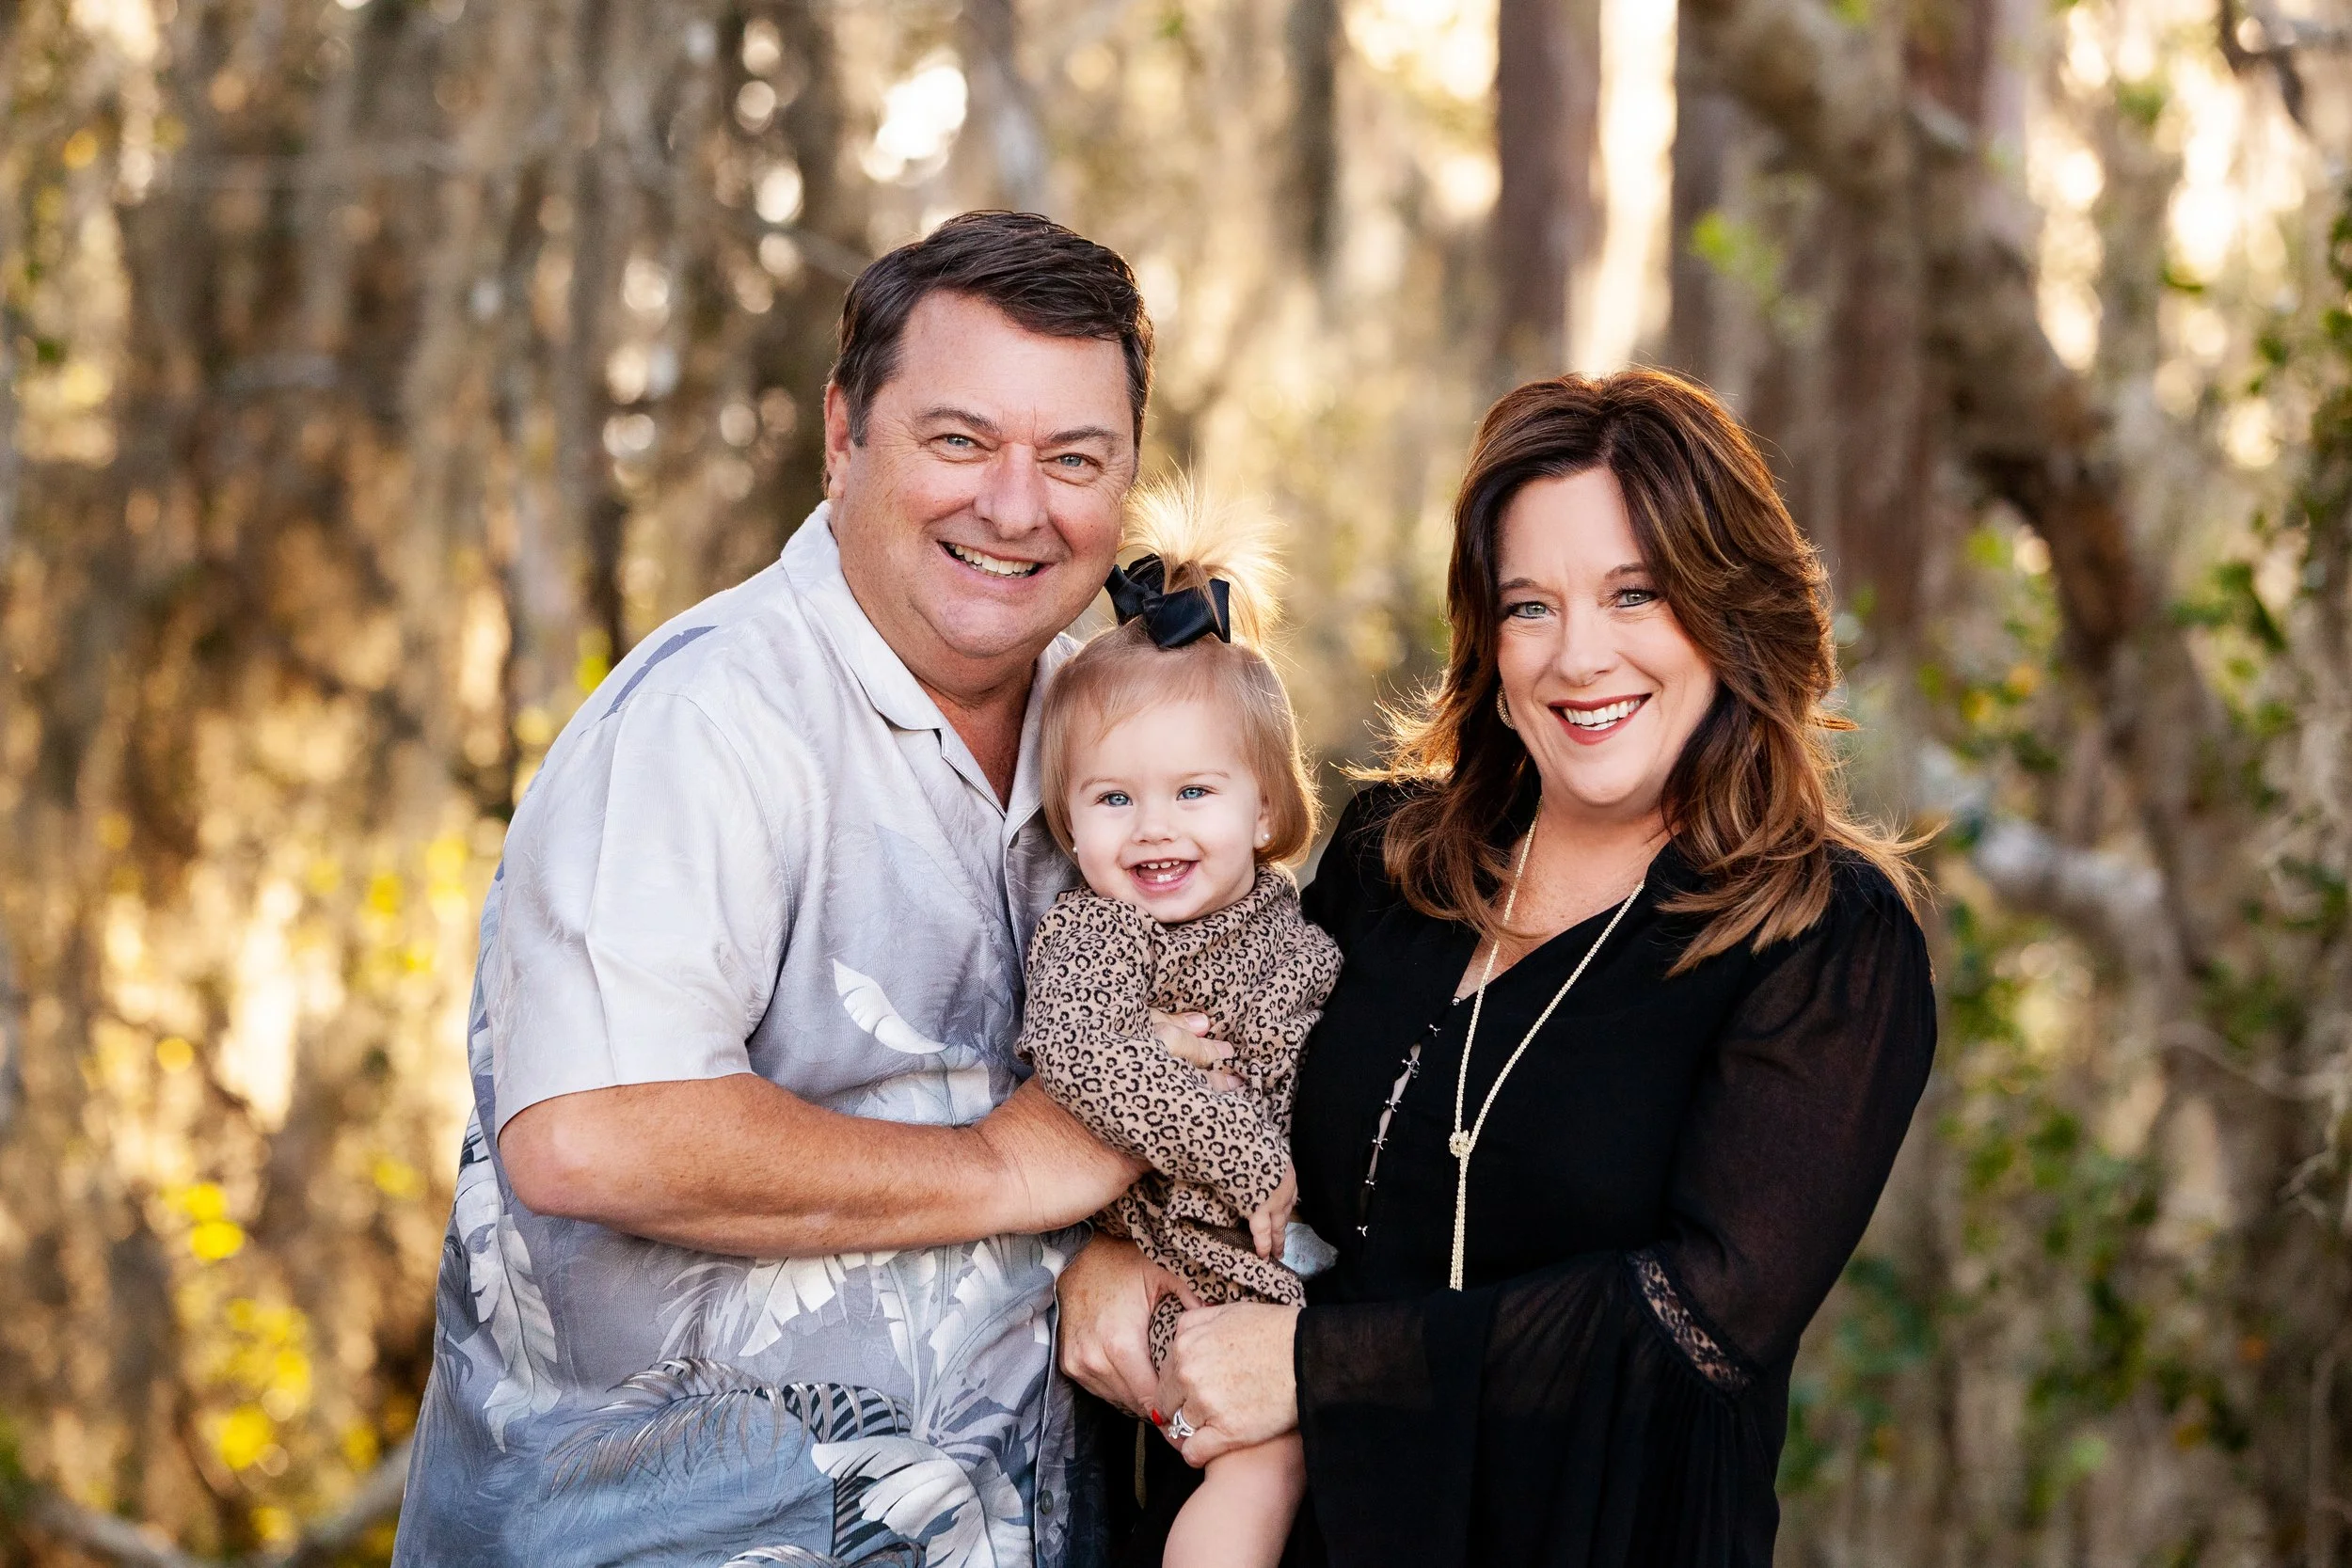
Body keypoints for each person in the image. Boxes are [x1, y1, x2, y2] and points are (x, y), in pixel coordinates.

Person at [1057, 369, 1938, 1567]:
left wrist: (1314, 1368)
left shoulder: (1822, 938)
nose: (1579, 658)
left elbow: (1694, 1324)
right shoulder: (1390, 856)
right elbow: (1223, 1090)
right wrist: (1108, 1260)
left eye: (1635, 594)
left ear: (1728, 609)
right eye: (1530, 606)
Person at [394, 212, 1166, 1568]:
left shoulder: (1124, 739)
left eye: (1075, 459)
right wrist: (1007, 1165)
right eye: (959, 439)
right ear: (843, 436)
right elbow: (593, 1132)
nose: (1015, 503)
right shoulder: (709, 719)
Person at [1019, 483, 1343, 1568]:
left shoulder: (1282, 915)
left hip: (1291, 1274)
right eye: (1112, 800)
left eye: (1193, 791)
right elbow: (1079, 1053)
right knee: (1273, 1455)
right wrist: (1243, 1154)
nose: (1153, 826)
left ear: (1263, 807)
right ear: (1069, 819)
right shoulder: (1097, 934)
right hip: (1183, 1269)